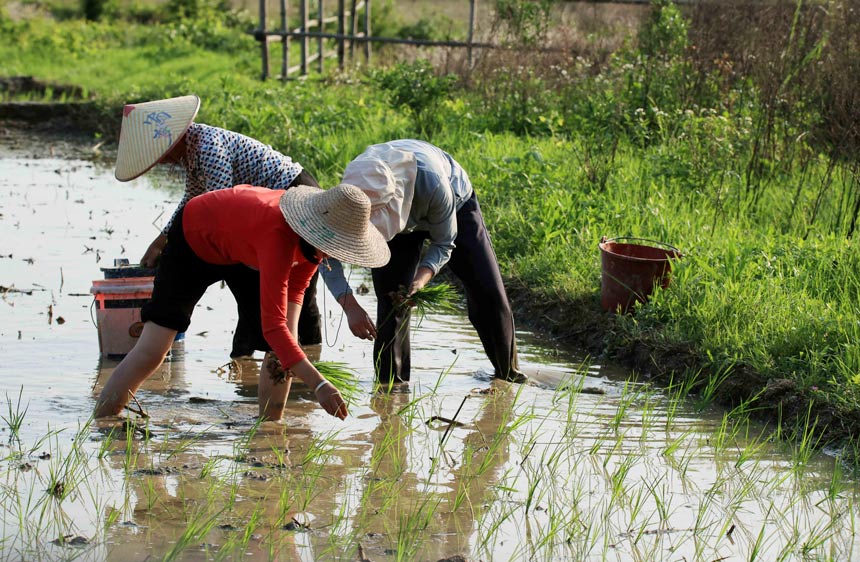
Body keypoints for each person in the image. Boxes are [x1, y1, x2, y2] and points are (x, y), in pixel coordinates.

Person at [94, 182, 390, 421]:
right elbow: (272, 326)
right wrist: (320, 384)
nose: (332, 252)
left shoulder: (316, 246)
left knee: (286, 344)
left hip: (242, 248)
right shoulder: (279, 236)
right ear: (318, 226)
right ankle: (103, 418)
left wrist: (293, 347)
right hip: (195, 237)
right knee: (154, 348)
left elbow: (291, 309)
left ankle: (269, 428)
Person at [114, 94, 323, 355]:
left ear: (172, 141)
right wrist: (161, 240)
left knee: (296, 292)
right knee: (253, 281)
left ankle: (309, 359)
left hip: (294, 197)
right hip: (261, 212)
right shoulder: (191, 151)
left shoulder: (209, 147)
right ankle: (253, 358)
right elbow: (193, 199)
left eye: (160, 155)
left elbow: (218, 205)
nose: (161, 161)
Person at [320, 139, 527, 385]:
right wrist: (350, 306)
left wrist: (420, 280)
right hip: (398, 218)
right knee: (393, 302)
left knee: (487, 291)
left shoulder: (434, 183)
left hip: (453, 204)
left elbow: (444, 243)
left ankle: (508, 376)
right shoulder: (351, 199)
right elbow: (326, 254)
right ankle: (391, 390)